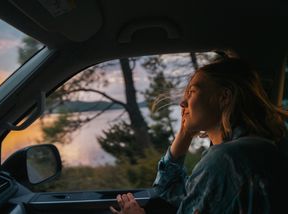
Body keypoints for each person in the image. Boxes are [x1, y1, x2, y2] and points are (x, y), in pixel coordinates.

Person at [109, 58, 288, 214]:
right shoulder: (256, 148)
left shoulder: (226, 160)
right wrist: (185, 132)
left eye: (192, 92)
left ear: (224, 97)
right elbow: (169, 190)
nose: (182, 102)